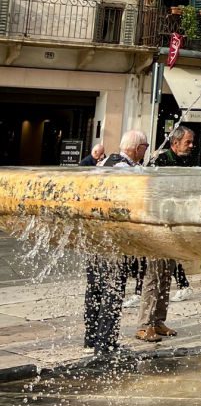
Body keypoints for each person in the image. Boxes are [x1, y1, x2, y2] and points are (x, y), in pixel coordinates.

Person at [83, 130, 147, 356]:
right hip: (113, 240)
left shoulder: (104, 162)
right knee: (113, 290)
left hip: (95, 236)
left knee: (95, 289)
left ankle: (91, 338)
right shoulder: (127, 170)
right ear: (137, 148)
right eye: (145, 147)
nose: (146, 151)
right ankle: (106, 343)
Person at [154, 125, 196, 300]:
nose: (192, 145)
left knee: (165, 254)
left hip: (175, 215)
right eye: (188, 142)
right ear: (175, 142)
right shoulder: (162, 161)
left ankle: (182, 284)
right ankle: (182, 284)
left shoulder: (187, 159)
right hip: (161, 214)